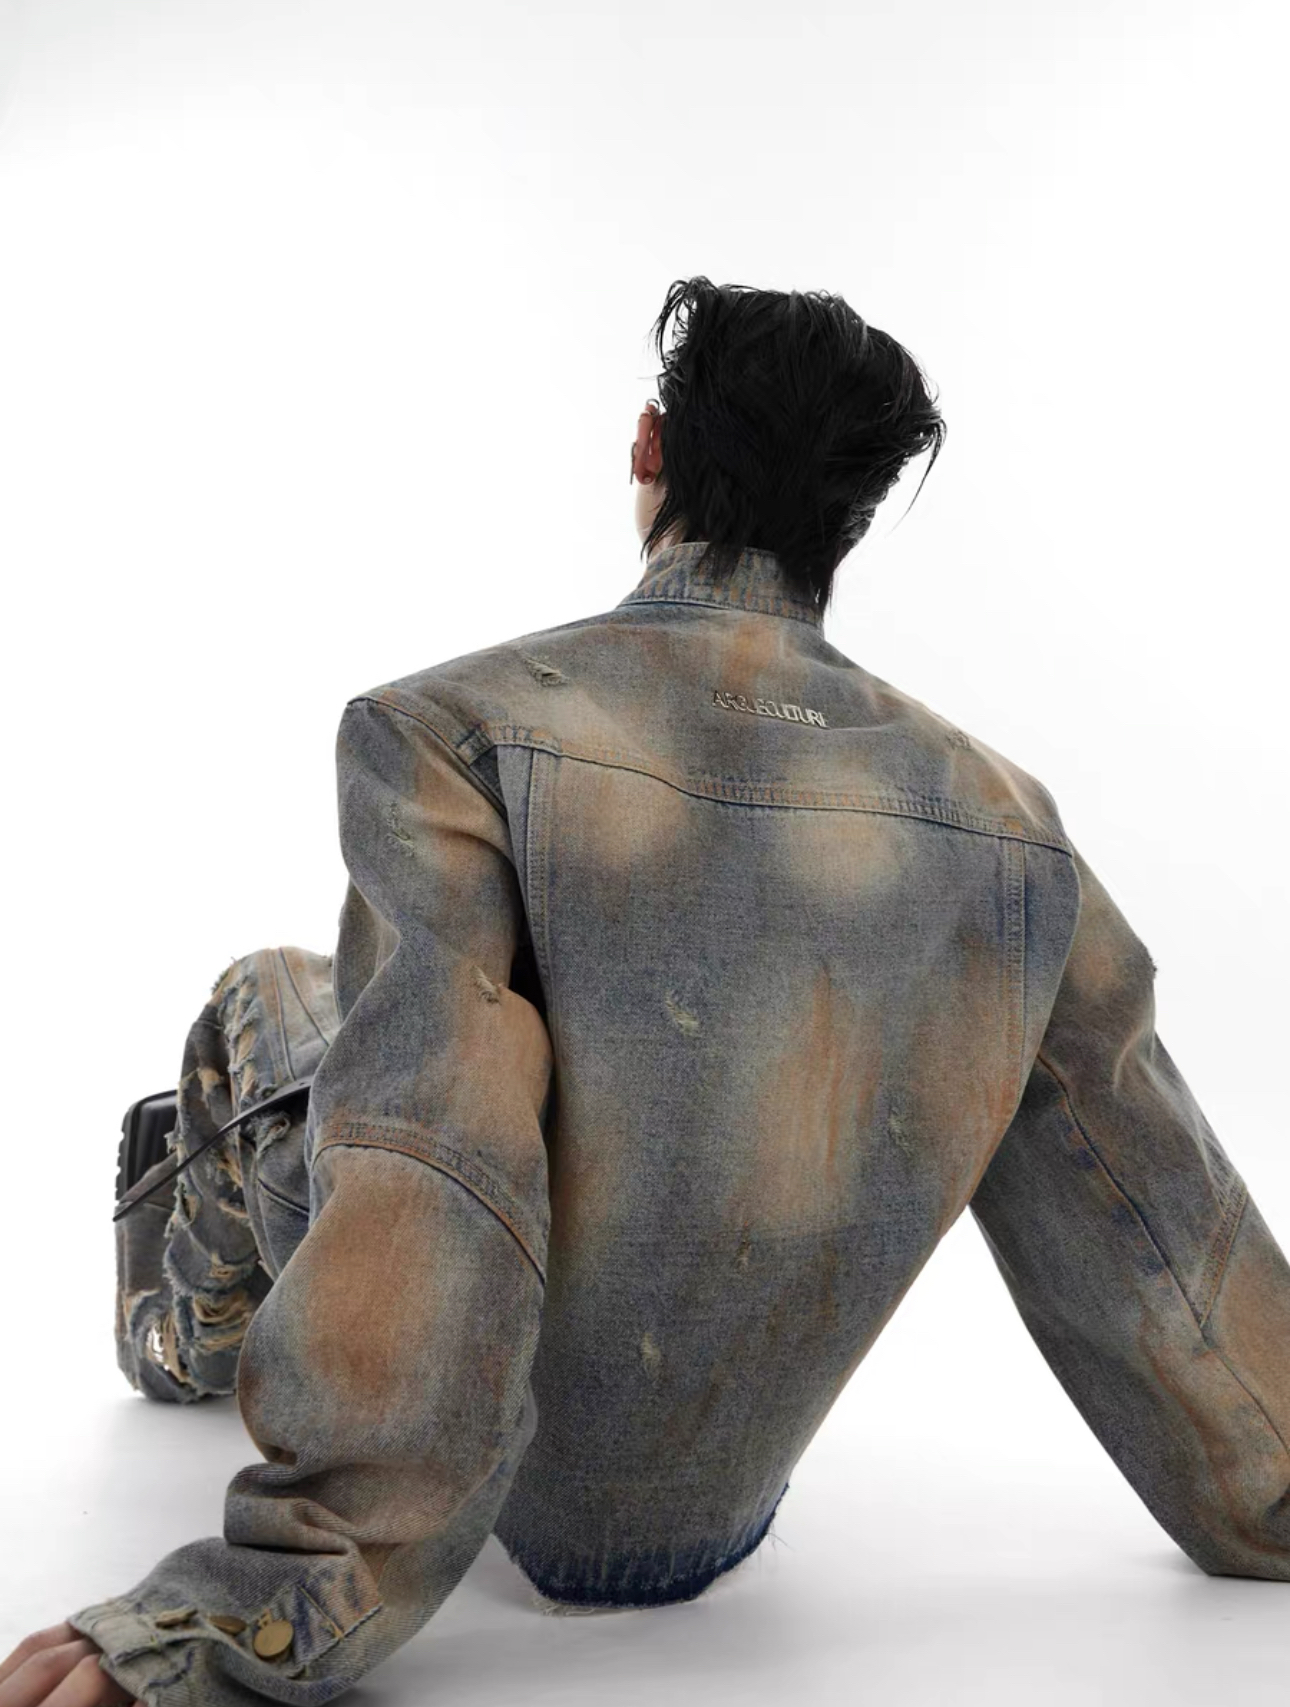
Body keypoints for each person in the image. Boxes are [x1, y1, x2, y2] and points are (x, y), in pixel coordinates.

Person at [6, 276, 1288, 1707]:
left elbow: (434, 1141)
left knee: (268, 998)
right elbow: (1154, 1225)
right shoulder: (1010, 830)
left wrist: (277, 1597)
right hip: (705, 1509)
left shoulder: (448, 729)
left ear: (647, 448)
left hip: (477, 1466)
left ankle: (176, 1337)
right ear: (850, 522)